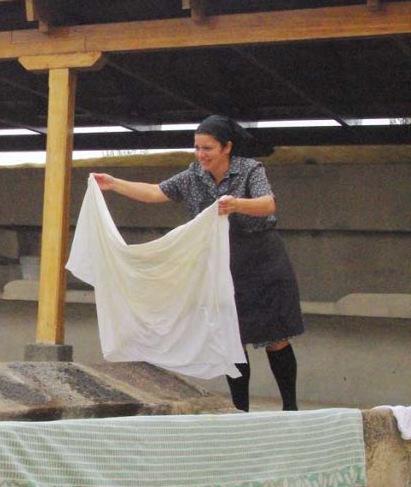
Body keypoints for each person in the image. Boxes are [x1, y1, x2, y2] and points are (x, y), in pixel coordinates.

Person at [92, 114, 303, 412]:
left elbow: (268, 203)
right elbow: (155, 192)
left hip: (262, 259)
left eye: (208, 148)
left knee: (276, 338)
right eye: (197, 148)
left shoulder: (249, 169)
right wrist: (114, 183)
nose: (201, 155)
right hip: (221, 265)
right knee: (232, 339)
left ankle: (290, 409)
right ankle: (240, 411)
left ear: (226, 148)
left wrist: (236, 204)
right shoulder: (194, 175)